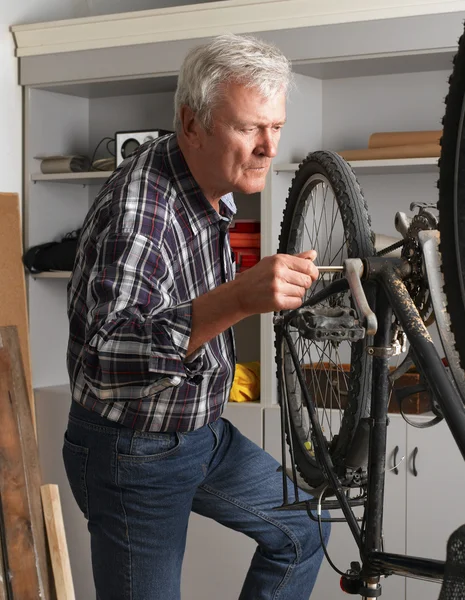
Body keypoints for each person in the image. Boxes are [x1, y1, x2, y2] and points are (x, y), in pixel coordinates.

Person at [64, 32, 330, 600]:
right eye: (247, 127)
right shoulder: (141, 212)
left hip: (199, 431)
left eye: (275, 126)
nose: (268, 148)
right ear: (192, 123)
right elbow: (106, 355)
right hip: (132, 447)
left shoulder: (211, 180)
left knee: (305, 528)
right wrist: (238, 298)